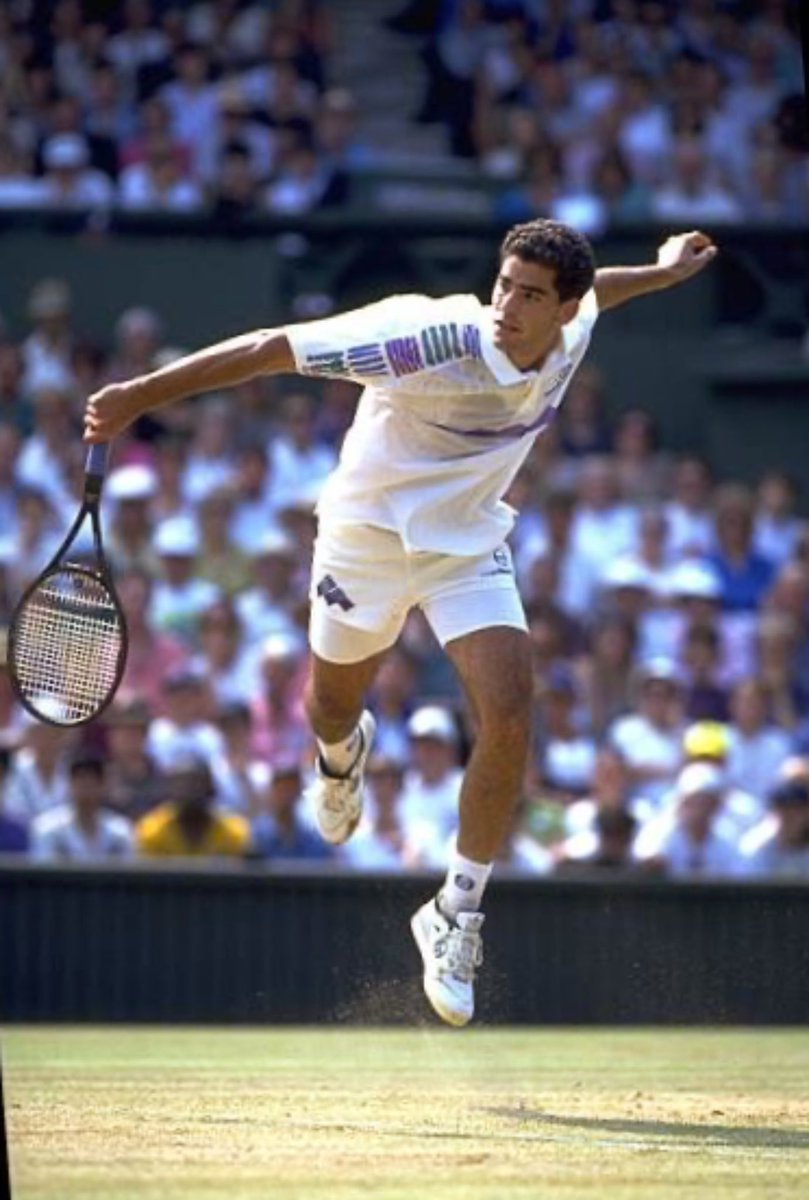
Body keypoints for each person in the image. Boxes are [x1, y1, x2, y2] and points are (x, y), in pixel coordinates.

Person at [84, 218, 717, 1026]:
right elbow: (272, 347)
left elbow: (601, 291)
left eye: (530, 294)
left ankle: (455, 911)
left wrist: (661, 273)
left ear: (562, 309)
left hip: (466, 546)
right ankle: (339, 757)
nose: (507, 304)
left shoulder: (574, 322)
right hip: (364, 539)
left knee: (511, 712)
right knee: (330, 706)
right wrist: (139, 396)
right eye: (503, 284)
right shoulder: (421, 336)